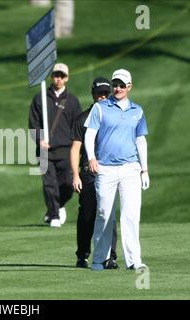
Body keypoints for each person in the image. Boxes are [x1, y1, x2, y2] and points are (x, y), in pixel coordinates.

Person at [84, 69, 150, 271]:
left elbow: (140, 140)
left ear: (129, 86)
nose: (118, 88)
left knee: (131, 215)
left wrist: (144, 170)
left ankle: (134, 261)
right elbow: (90, 134)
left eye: (122, 85)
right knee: (104, 213)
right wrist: (91, 157)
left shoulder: (137, 111)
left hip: (131, 168)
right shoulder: (100, 108)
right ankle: (99, 259)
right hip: (105, 168)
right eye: (115, 84)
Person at [70, 77, 118, 269]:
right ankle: (83, 254)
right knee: (88, 215)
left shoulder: (115, 117)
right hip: (88, 174)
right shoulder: (82, 118)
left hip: (111, 172)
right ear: (93, 94)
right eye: (100, 93)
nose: (103, 97)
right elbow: (75, 149)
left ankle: (110, 257)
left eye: (106, 93)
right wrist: (75, 175)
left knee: (108, 214)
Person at [29, 63, 82, 227]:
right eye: (55, 75)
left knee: (67, 185)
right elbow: (33, 123)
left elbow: (78, 126)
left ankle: (58, 206)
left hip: (66, 150)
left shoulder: (72, 101)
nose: (58, 79)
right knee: (49, 184)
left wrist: (77, 147)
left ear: (67, 78)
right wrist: (39, 140)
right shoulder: (40, 98)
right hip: (45, 151)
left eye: (62, 75)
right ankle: (54, 216)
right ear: (51, 77)